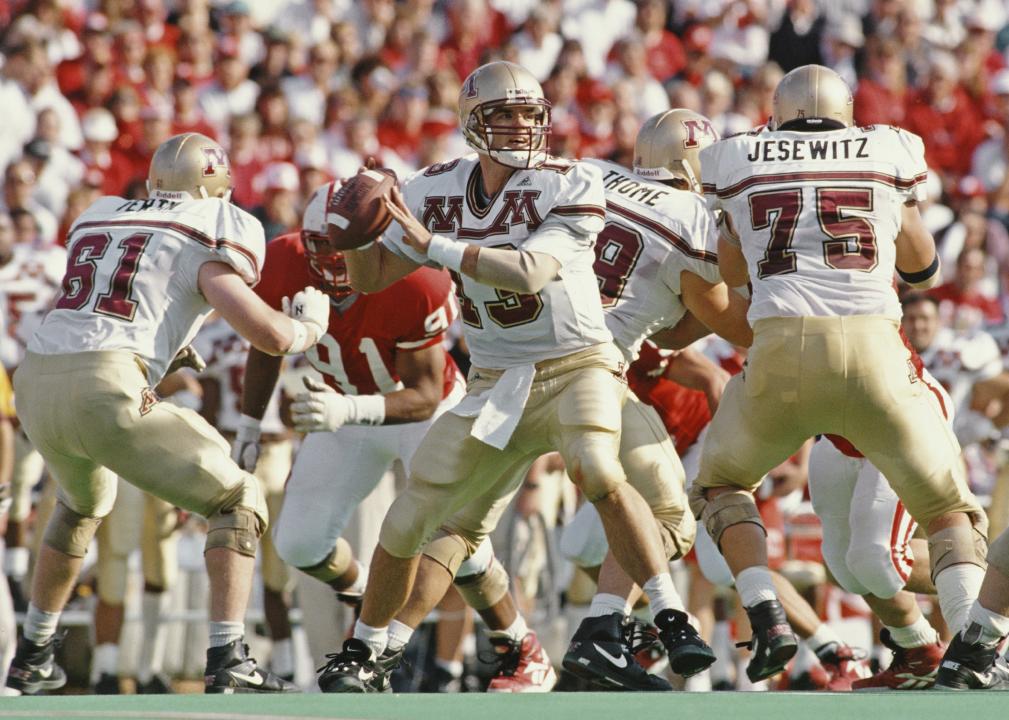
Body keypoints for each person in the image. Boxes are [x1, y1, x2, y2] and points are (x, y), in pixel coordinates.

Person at [315, 61, 697, 693]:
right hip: (496, 379)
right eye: (504, 114)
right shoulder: (436, 186)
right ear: (472, 122)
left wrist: (431, 245)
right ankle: (368, 651)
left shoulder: (570, 181)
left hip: (578, 363)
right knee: (414, 513)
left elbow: (526, 273)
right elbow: (372, 278)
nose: (521, 127)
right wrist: (353, 233)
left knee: (598, 469)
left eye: (530, 114)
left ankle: (669, 615)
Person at [4, 132, 328, 695]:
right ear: (213, 184)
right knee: (238, 498)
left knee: (82, 503)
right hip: (106, 385)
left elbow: (105, 299)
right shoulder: (212, 227)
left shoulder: (103, 214)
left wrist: (164, 343)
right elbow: (269, 335)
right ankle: (229, 655)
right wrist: (309, 326)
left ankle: (33, 652)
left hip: (36, 380)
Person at [693, 64, 987, 684]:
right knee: (946, 511)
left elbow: (733, 275)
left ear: (777, 113)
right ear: (848, 111)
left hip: (779, 356)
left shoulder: (736, 157)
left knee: (720, 482)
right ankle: (975, 651)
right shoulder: (887, 148)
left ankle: (765, 609)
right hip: (875, 351)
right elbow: (924, 269)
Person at [234, 179, 464, 617]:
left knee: (460, 538)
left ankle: (511, 636)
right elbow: (266, 347)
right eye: (324, 244)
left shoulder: (415, 278)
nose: (337, 256)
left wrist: (345, 409)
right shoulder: (282, 262)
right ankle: (365, 593)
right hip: (343, 411)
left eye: (350, 244)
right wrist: (249, 426)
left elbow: (426, 396)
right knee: (298, 543)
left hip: (421, 413)